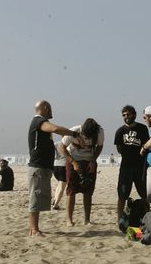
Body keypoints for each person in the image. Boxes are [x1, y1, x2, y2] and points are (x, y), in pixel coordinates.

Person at [27, 100, 78, 237]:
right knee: (35, 197)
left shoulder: (40, 122)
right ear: (44, 108)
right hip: (37, 167)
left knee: (39, 197)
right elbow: (55, 129)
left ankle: (35, 228)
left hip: (43, 167)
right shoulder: (39, 121)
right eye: (49, 108)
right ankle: (34, 229)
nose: (51, 111)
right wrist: (73, 134)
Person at [60, 118, 104, 226]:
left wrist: (93, 161)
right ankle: (69, 220)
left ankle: (87, 220)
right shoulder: (74, 131)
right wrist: (73, 162)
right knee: (71, 190)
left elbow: (100, 146)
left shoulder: (99, 132)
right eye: (84, 135)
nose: (86, 138)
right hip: (73, 159)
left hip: (89, 161)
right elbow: (62, 147)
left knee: (88, 191)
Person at [114, 105, 150, 224]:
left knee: (144, 193)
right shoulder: (120, 131)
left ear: (134, 114)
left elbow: (147, 146)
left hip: (140, 167)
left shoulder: (142, 128)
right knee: (122, 194)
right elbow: (119, 149)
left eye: (128, 114)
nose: (126, 117)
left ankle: (147, 217)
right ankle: (120, 219)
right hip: (126, 168)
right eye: (124, 115)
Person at [52, 141, 67, 209]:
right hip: (64, 165)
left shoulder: (56, 143)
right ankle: (56, 204)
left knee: (59, 185)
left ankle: (55, 200)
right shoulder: (69, 143)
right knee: (61, 187)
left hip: (55, 165)